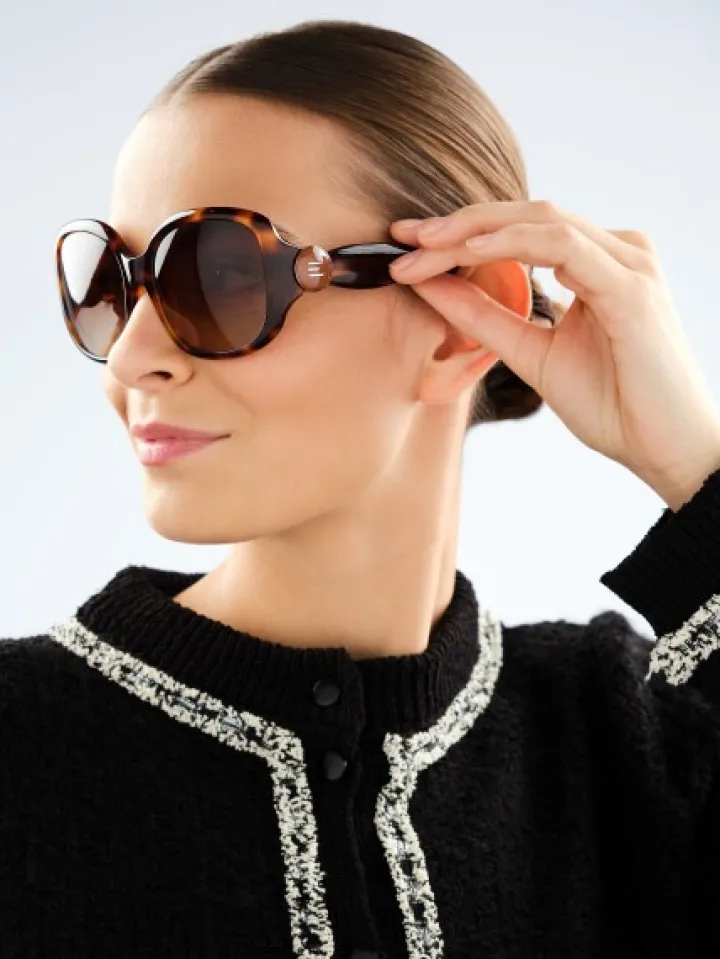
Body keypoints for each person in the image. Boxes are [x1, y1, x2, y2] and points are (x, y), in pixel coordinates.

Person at [3, 17, 720, 959]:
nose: (133, 357)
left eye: (218, 275)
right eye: (116, 284)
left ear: (462, 321)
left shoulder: (630, 738)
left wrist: (696, 467)